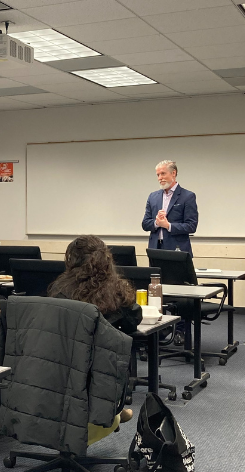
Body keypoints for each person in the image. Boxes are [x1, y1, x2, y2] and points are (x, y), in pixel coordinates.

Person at [48, 235, 140, 424]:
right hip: (103, 374)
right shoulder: (117, 291)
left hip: (61, 366)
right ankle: (113, 411)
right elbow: (133, 321)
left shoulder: (60, 289)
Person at [142, 160, 198, 256]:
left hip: (177, 250)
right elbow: (145, 224)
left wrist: (168, 225)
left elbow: (191, 226)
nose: (160, 178)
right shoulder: (153, 197)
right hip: (155, 249)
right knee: (155, 272)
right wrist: (157, 222)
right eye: (158, 175)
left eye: (163, 173)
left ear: (173, 173)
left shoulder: (187, 196)